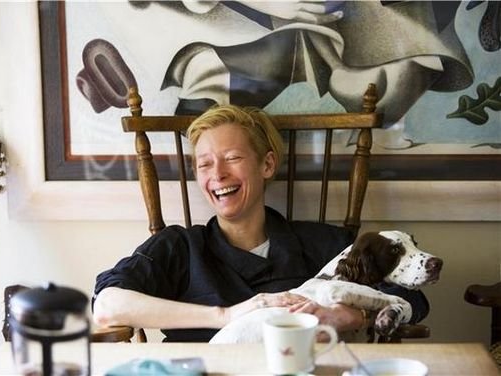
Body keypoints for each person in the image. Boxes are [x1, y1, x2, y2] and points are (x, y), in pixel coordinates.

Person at [92, 105, 428, 342]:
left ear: (267, 165)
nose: (218, 174)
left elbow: (411, 298)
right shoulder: (179, 247)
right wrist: (226, 315)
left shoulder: (325, 245)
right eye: (204, 164)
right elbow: (107, 306)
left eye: (233, 158)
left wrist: (353, 316)